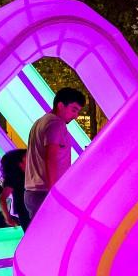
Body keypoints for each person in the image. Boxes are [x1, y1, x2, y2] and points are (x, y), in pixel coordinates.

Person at [23, 87, 86, 222]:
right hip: (45, 193)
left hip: (32, 192)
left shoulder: (39, 122)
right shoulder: (56, 124)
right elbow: (50, 157)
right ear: (61, 105)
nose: (76, 116)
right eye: (74, 110)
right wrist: (53, 192)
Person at [0, 148, 30, 229]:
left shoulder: (29, 174)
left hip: (32, 208)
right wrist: (8, 218)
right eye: (27, 157)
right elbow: (2, 198)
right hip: (24, 210)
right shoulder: (13, 178)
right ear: (19, 162)